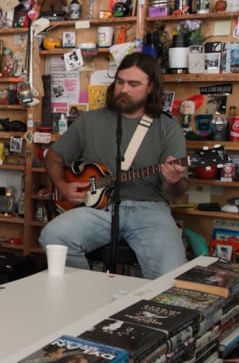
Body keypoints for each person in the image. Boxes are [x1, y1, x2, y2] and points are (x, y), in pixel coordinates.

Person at [39, 52, 187, 279]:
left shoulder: (167, 127)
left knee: (172, 275)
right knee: (54, 235)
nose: (124, 89)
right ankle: (85, 297)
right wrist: (62, 185)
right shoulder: (90, 121)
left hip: (150, 210)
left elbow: (175, 194)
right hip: (99, 209)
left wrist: (173, 180)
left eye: (133, 84)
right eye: (120, 82)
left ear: (150, 88)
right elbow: (53, 157)